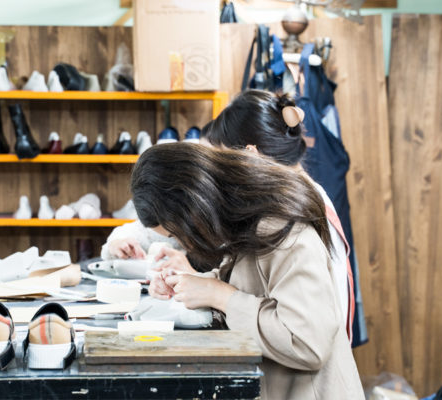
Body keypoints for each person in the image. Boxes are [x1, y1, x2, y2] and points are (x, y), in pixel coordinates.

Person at [102, 90, 354, 339]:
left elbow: (305, 334)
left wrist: (216, 293)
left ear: (249, 157)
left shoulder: (289, 221)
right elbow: (257, 289)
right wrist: (199, 283)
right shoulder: (267, 209)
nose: (216, 177)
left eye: (220, 162)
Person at [130, 143, 364, 399]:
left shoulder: (281, 230)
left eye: (176, 233)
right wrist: (190, 285)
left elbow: (306, 342)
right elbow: (250, 285)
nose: (184, 244)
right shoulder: (246, 220)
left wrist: (219, 296)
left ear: (193, 205)